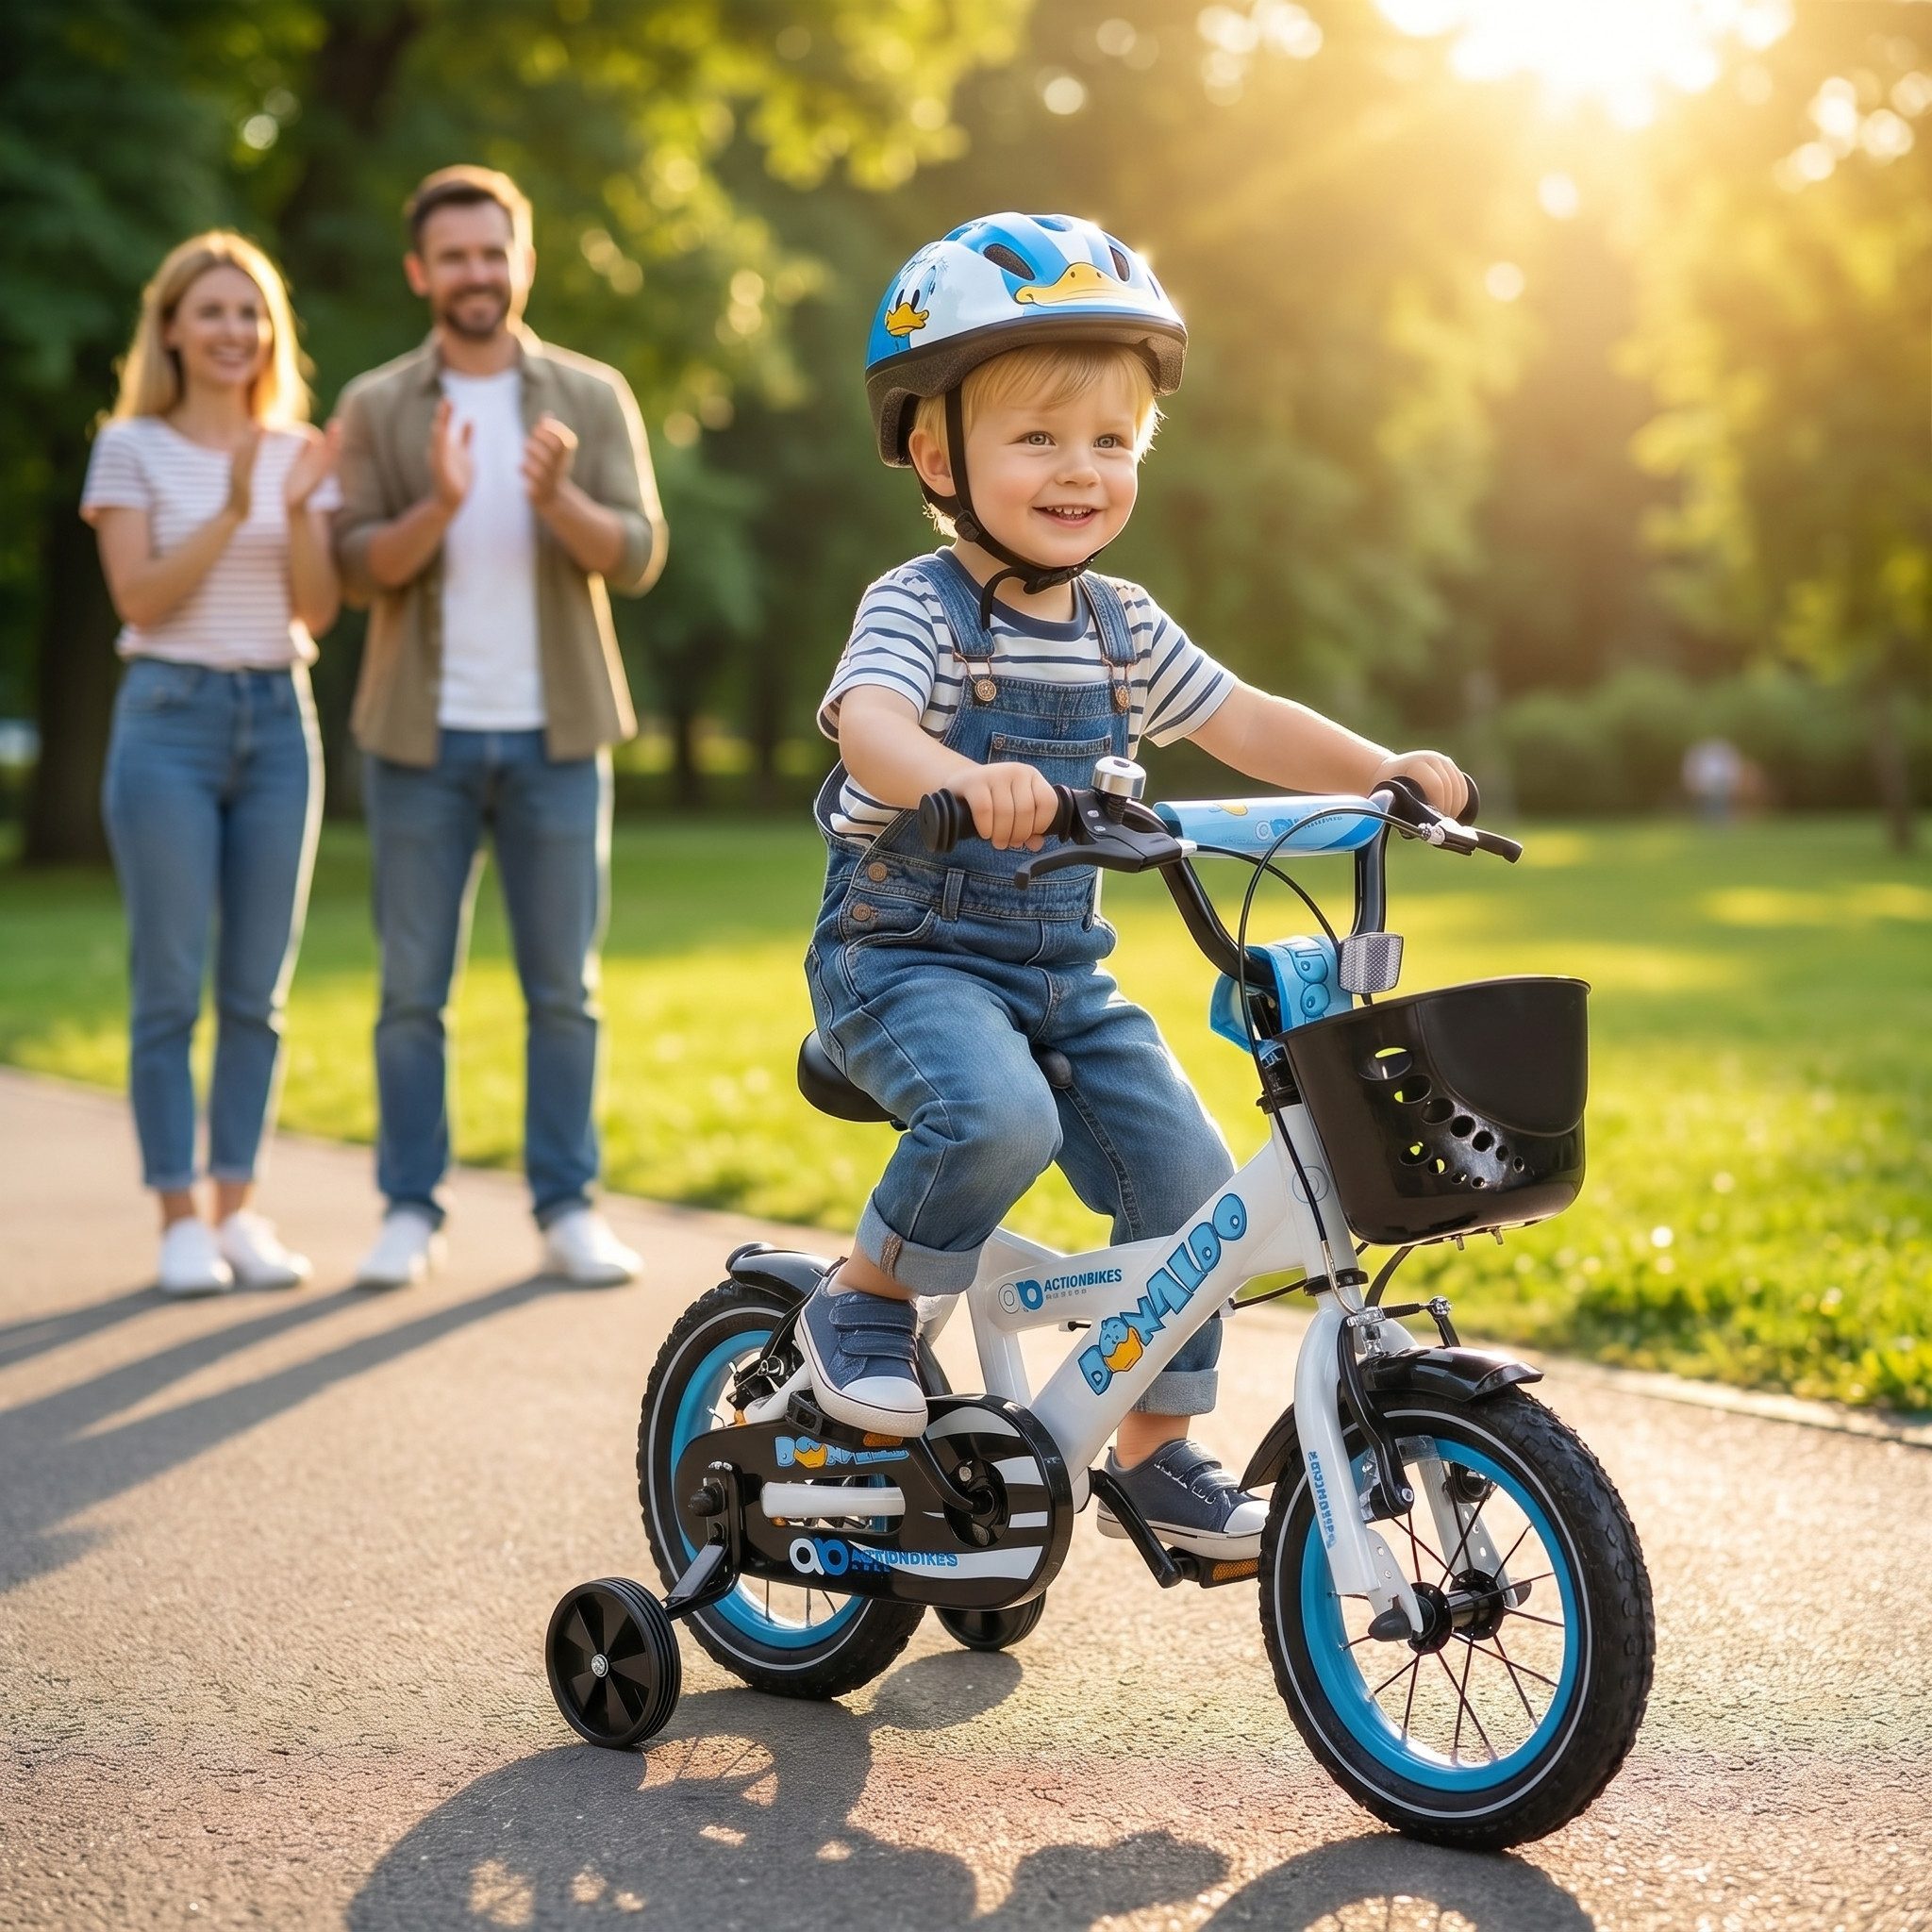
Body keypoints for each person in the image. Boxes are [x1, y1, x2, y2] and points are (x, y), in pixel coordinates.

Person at [800, 215, 1473, 1556]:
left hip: (1063, 976)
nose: (1080, 471)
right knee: (1000, 1121)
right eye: (1038, 438)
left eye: (1110, 442)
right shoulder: (919, 607)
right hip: (905, 961)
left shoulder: (1123, 626)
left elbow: (1242, 720)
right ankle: (864, 1297)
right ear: (938, 455)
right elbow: (865, 719)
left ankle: (1158, 1448)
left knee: (1190, 1178)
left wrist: (1378, 772)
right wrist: (954, 772)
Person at [332, 166, 667, 1291]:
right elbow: (353, 567)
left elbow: (637, 552)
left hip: (556, 739)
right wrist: (437, 498)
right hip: (417, 742)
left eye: (495, 251)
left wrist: (555, 500)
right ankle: (407, 1209)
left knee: (562, 989)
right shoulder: (379, 403)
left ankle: (566, 1205)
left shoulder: (589, 391)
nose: (477, 273)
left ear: (522, 260)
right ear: (422, 271)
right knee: (410, 991)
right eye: (455, 256)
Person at [83, 232, 340, 1297]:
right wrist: (237, 505)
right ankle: (177, 1216)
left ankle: (236, 1208)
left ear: (268, 334)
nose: (234, 330)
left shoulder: (298, 450)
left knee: (257, 993)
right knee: (169, 986)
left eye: (251, 313)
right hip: (169, 718)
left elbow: (317, 609)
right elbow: (139, 598)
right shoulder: (129, 446)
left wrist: (290, 504)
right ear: (173, 328)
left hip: (278, 717)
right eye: (213, 312)